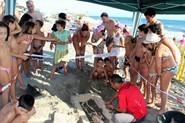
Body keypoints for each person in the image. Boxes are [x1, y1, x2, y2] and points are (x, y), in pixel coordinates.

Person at [142, 24, 178, 113]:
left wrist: (158, 75)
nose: (147, 46)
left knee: (163, 89)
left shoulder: (159, 50)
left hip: (168, 70)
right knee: (164, 89)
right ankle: (162, 104)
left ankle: (163, 108)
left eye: (148, 44)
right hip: (169, 68)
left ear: (152, 43)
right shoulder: (159, 46)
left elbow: (158, 67)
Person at [2, 15, 27, 100]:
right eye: (13, 24)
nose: (15, 25)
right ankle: (12, 98)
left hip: (14, 59)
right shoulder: (7, 36)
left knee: (13, 80)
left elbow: (19, 29)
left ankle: (12, 97)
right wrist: (21, 56)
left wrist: (14, 21)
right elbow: (8, 52)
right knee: (12, 81)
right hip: (12, 59)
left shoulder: (9, 33)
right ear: (9, 24)